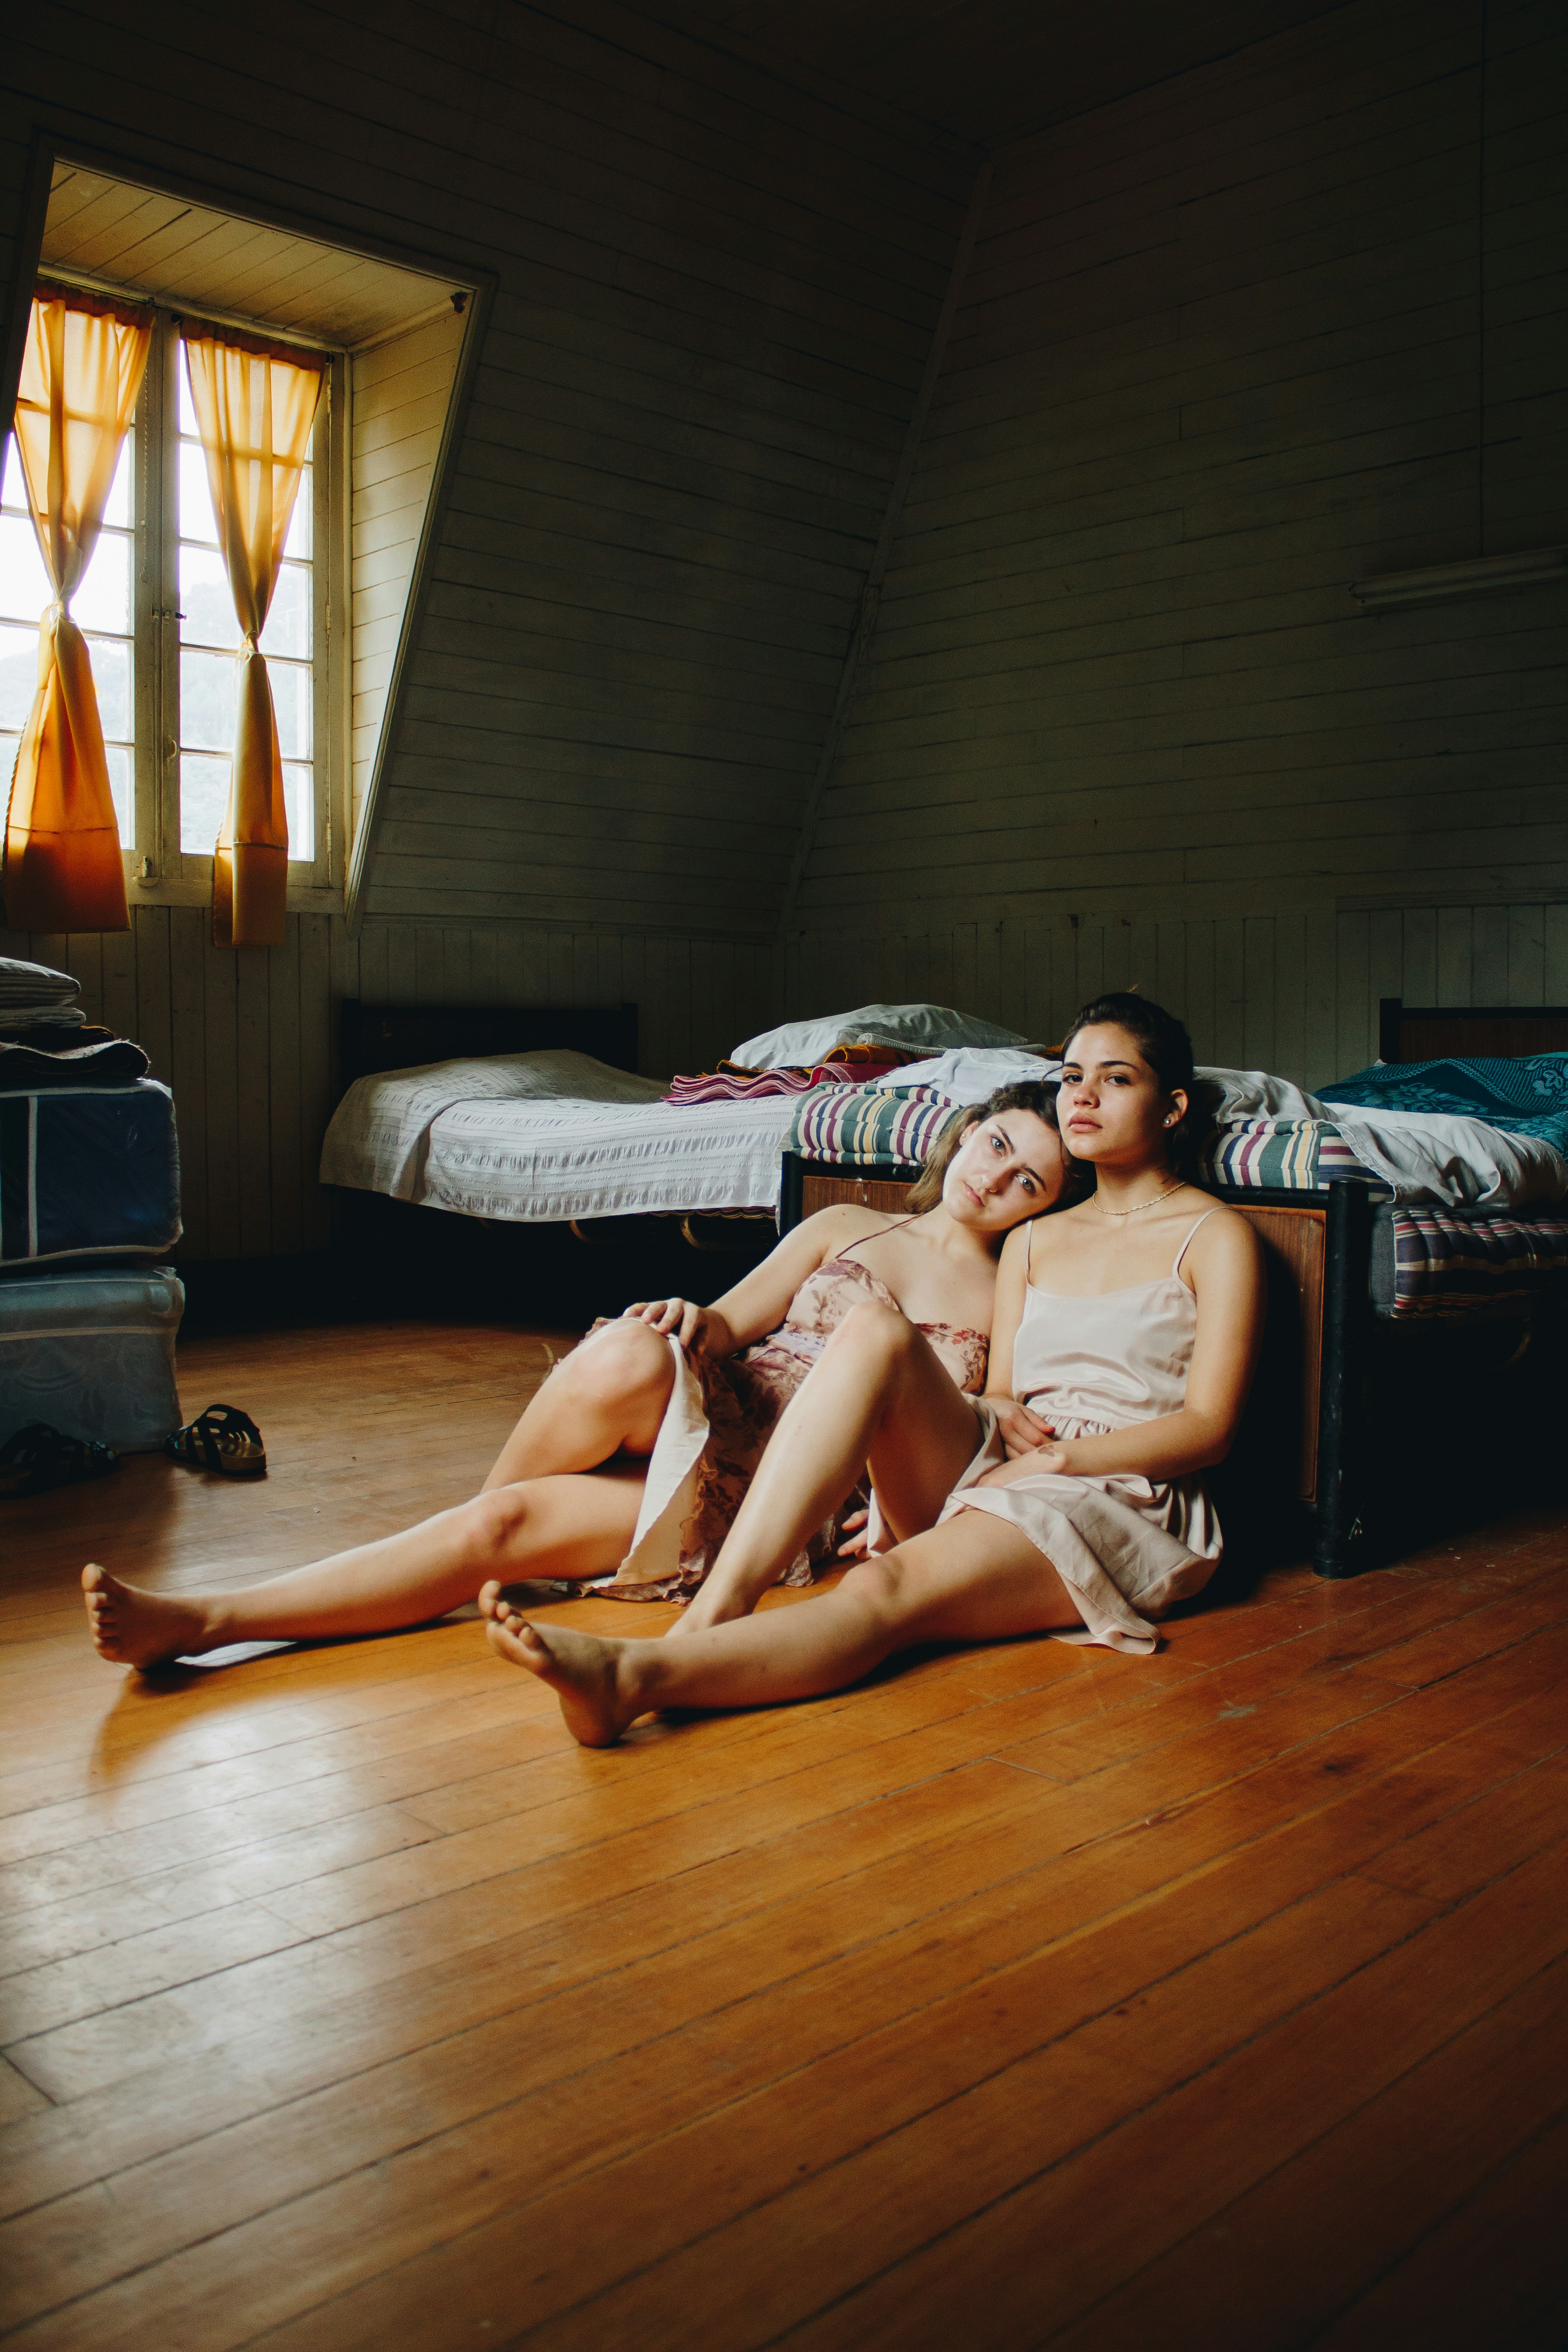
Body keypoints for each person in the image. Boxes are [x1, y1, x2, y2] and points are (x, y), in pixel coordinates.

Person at [482, 993, 1266, 1746]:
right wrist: (903, 1467)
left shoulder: (1214, 1235)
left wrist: (1059, 1459)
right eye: (1072, 1076)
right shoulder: (1035, 1239)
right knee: (873, 1328)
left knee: (880, 1592)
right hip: (999, 1466)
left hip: (1122, 1490)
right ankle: (715, 1613)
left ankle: (638, 1676)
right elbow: (996, 1397)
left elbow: (1211, 1429)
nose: (1084, 1096)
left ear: (1172, 1108)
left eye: (1117, 1078)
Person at [82, 1082, 1075, 1670]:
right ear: (966, 1132)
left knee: (498, 1529)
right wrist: (697, 1319)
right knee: (638, 1344)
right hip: (721, 1408)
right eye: (996, 1144)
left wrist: (915, 1481)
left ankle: (213, 1621)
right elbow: (733, 1321)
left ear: (1040, 1207)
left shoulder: (1012, 1287)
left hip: (771, 1497)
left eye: (1028, 1179)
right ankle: (409, 1566)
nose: (994, 1176)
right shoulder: (846, 1225)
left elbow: (990, 1429)